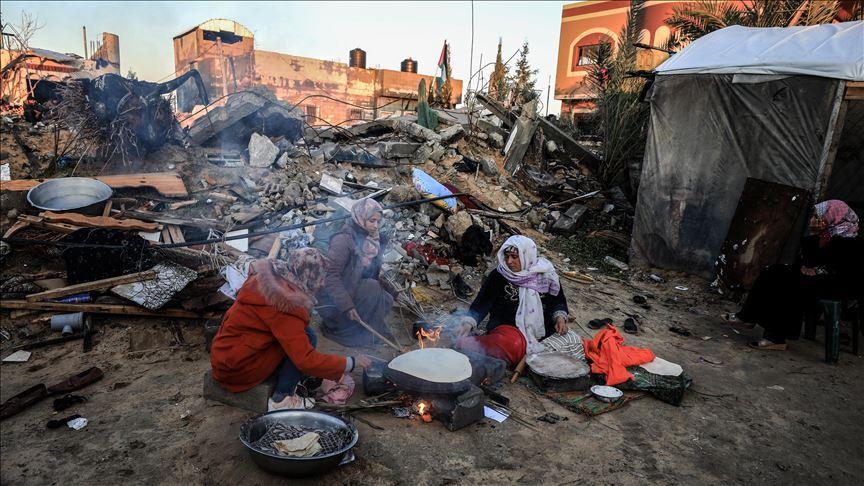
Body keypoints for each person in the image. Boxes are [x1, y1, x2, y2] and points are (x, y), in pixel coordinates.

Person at [210, 249, 372, 411]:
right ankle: (282, 399)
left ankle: (284, 383)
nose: (323, 283)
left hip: (227, 355)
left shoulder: (270, 280)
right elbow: (306, 360)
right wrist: (350, 362)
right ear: (307, 276)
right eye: (320, 277)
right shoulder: (285, 303)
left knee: (307, 334)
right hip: (237, 371)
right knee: (306, 341)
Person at [728, 200, 862, 350]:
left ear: (833, 216)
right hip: (816, 280)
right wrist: (815, 236)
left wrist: (815, 267)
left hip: (836, 287)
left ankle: (775, 337)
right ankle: (748, 316)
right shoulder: (825, 235)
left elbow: (839, 272)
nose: (815, 220)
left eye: (819, 216)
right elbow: (804, 262)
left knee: (791, 284)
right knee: (774, 271)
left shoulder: (852, 242)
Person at [450, 235, 569, 367]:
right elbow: (482, 303)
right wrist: (468, 323)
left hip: (542, 331)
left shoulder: (546, 275)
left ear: (527, 255)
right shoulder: (499, 275)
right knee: (512, 345)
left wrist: (560, 318)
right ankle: (470, 345)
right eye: (506, 256)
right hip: (509, 330)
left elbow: (558, 300)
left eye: (514, 256)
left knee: (572, 342)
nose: (509, 261)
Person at [318, 198, 397, 347]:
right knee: (372, 288)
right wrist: (347, 306)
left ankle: (369, 331)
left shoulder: (371, 241)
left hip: (353, 288)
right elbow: (330, 277)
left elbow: (370, 274)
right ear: (360, 217)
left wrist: (392, 291)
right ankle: (341, 331)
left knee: (386, 298)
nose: (375, 226)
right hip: (335, 303)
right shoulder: (343, 241)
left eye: (377, 222)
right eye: (372, 221)